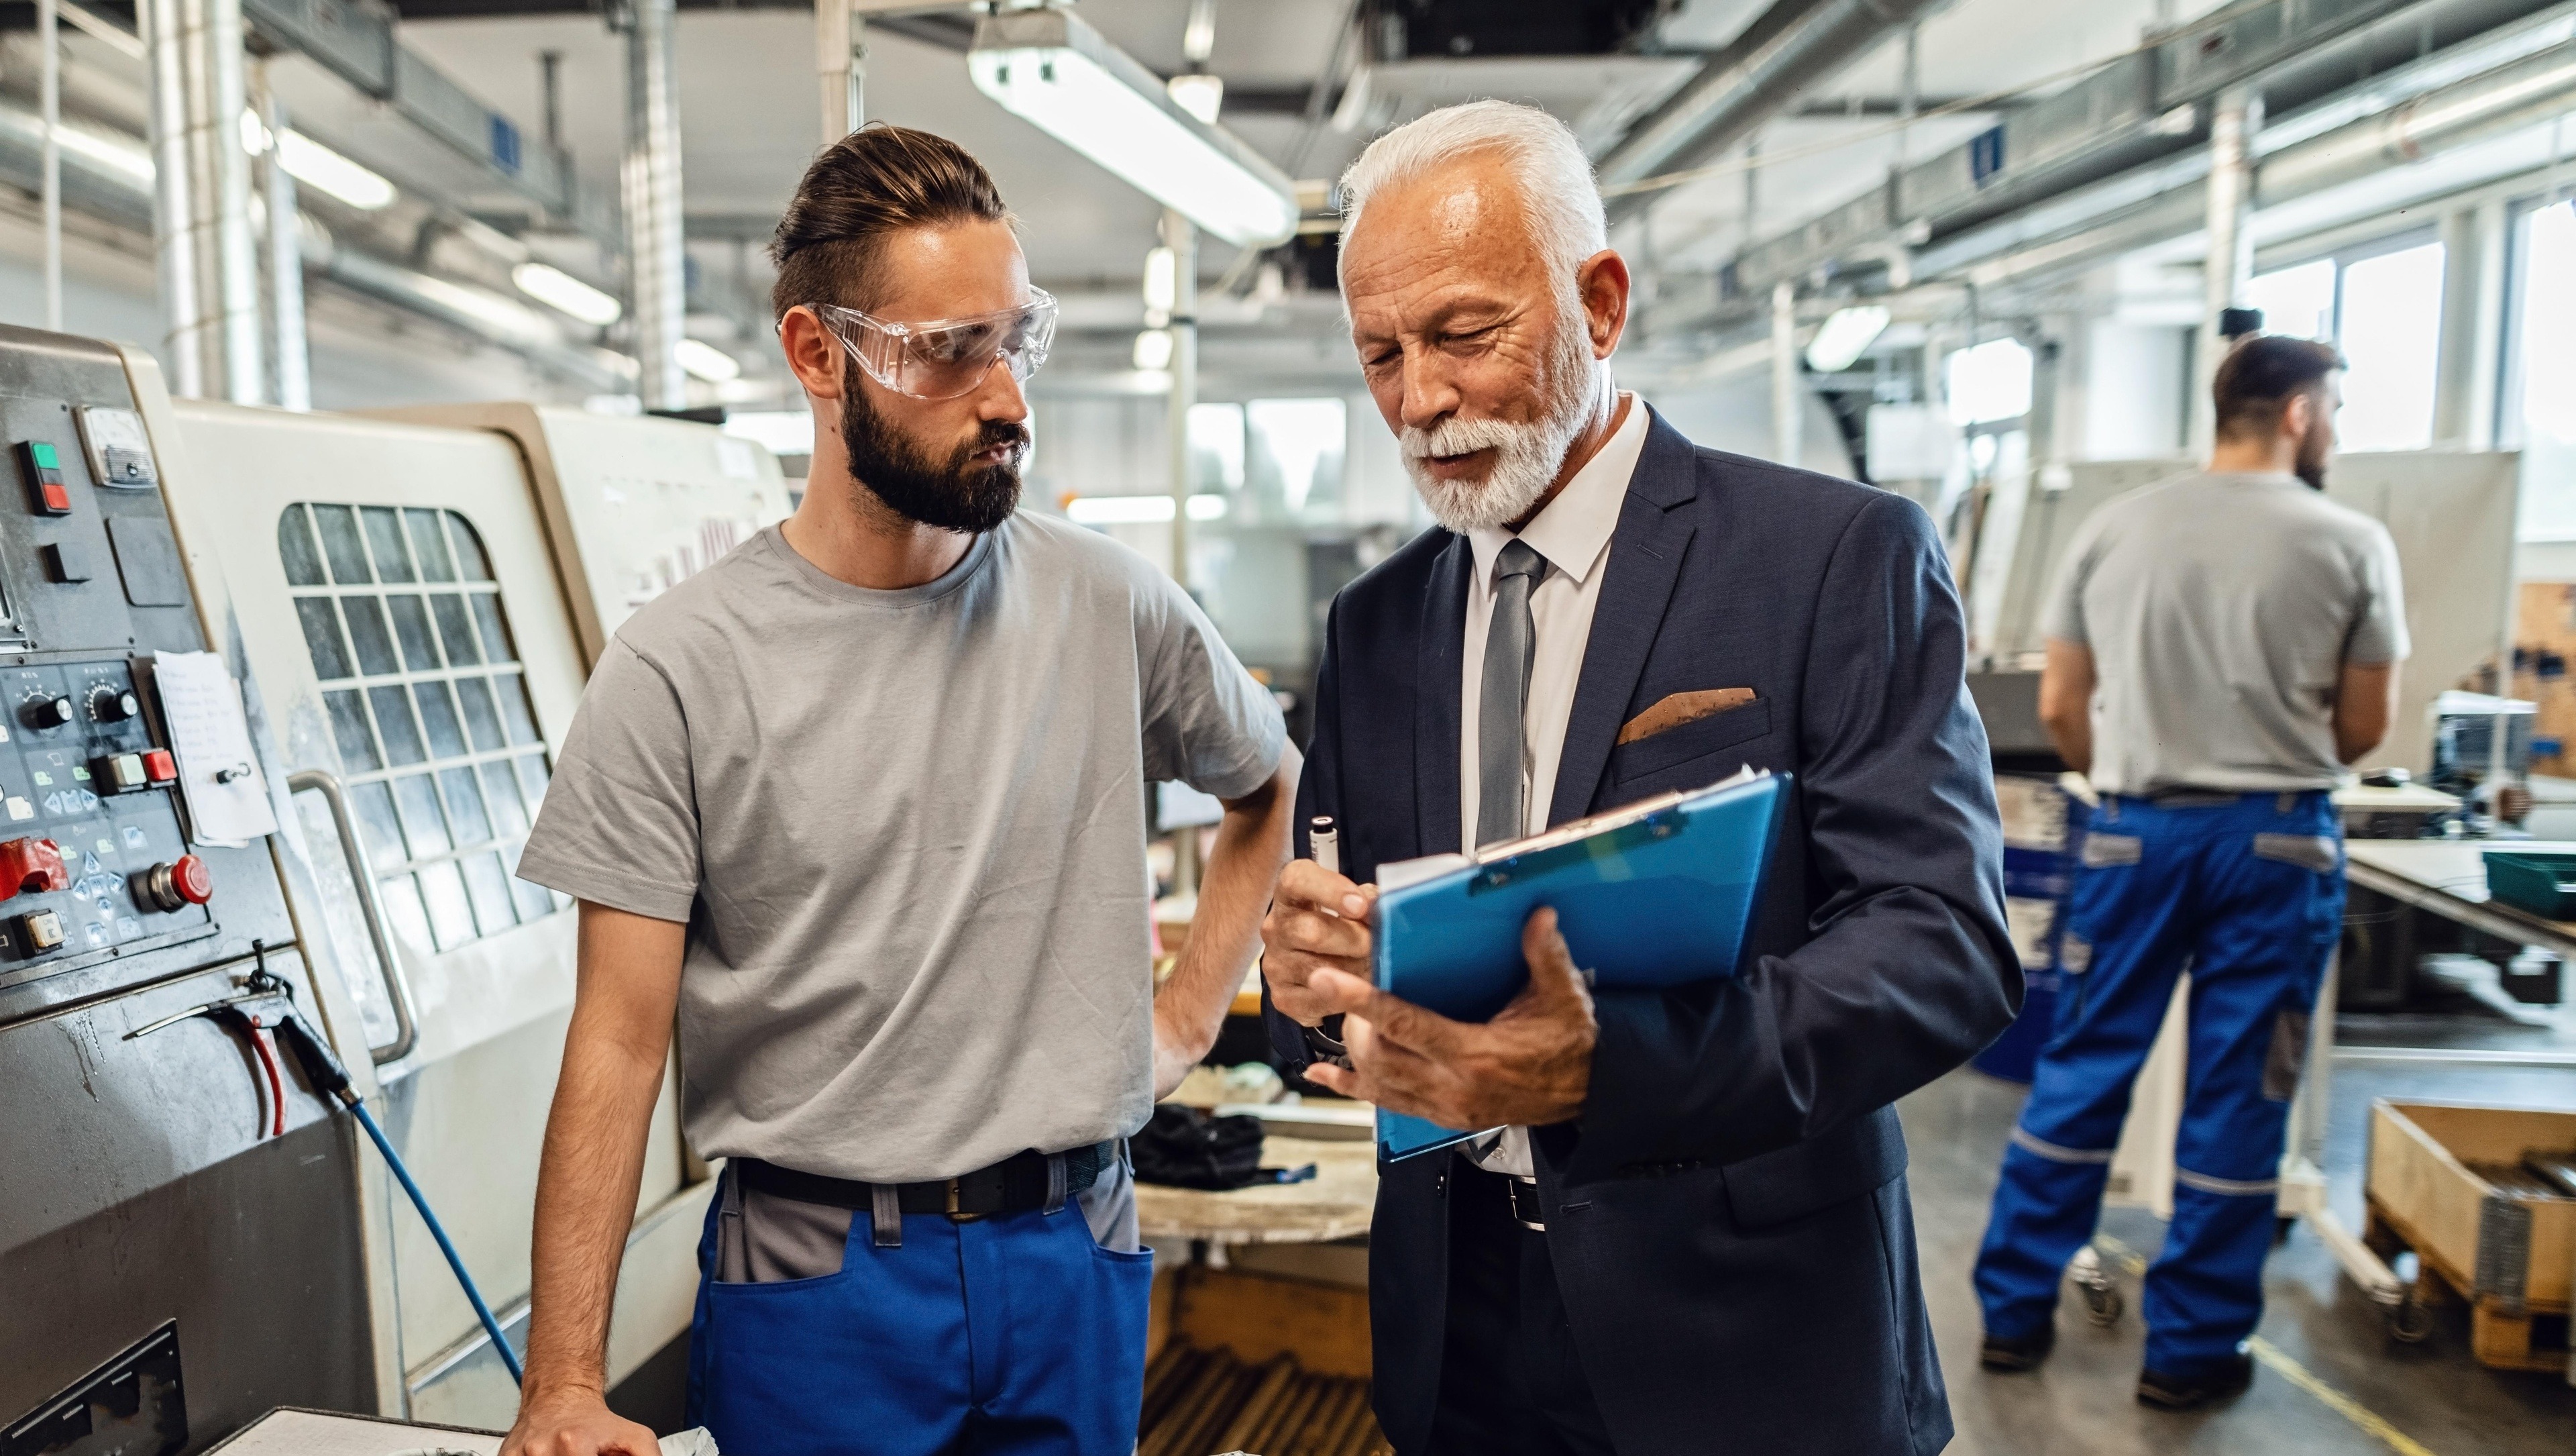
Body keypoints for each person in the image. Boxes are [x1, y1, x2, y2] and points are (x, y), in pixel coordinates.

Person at [497, 124, 1295, 1456]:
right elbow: (619, 1040)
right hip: (818, 1281)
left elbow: (1266, 783)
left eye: (1015, 340)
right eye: (947, 350)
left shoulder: (1109, 604)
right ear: (819, 355)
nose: (1008, 397)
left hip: (1071, 1255)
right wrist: (565, 1382)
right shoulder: (681, 665)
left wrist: (1187, 1015)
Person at [1257, 100, 2018, 1456]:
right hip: (1459, 1322)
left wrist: (1607, 1070)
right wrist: (1303, 985)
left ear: (1598, 302)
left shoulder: (1828, 558)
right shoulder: (1375, 626)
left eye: (1464, 335)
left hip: (1744, 1336)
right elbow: (1358, 964)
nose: (1420, 399)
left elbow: (1940, 947)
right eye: (1379, 353)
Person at [1971, 334, 2403, 1410]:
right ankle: (2191, 1354)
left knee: (2082, 1065)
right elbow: (2362, 728)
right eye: (2335, 409)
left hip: (2132, 831)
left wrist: (2133, 787)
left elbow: (2064, 708)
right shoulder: (2353, 540)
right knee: (2239, 1094)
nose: (2335, 430)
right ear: (2299, 412)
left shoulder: (2114, 529)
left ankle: (2013, 1317)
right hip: (2278, 843)